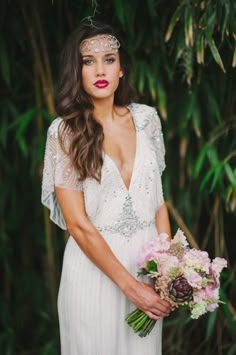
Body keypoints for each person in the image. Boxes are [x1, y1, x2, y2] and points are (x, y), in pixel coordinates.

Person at [41, 21, 172, 355]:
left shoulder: (146, 120)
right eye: (88, 61)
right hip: (94, 274)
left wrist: (169, 269)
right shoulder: (65, 133)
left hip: (146, 269)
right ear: (77, 70)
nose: (100, 69)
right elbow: (78, 225)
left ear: (122, 68)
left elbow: (157, 203)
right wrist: (131, 289)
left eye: (109, 59)